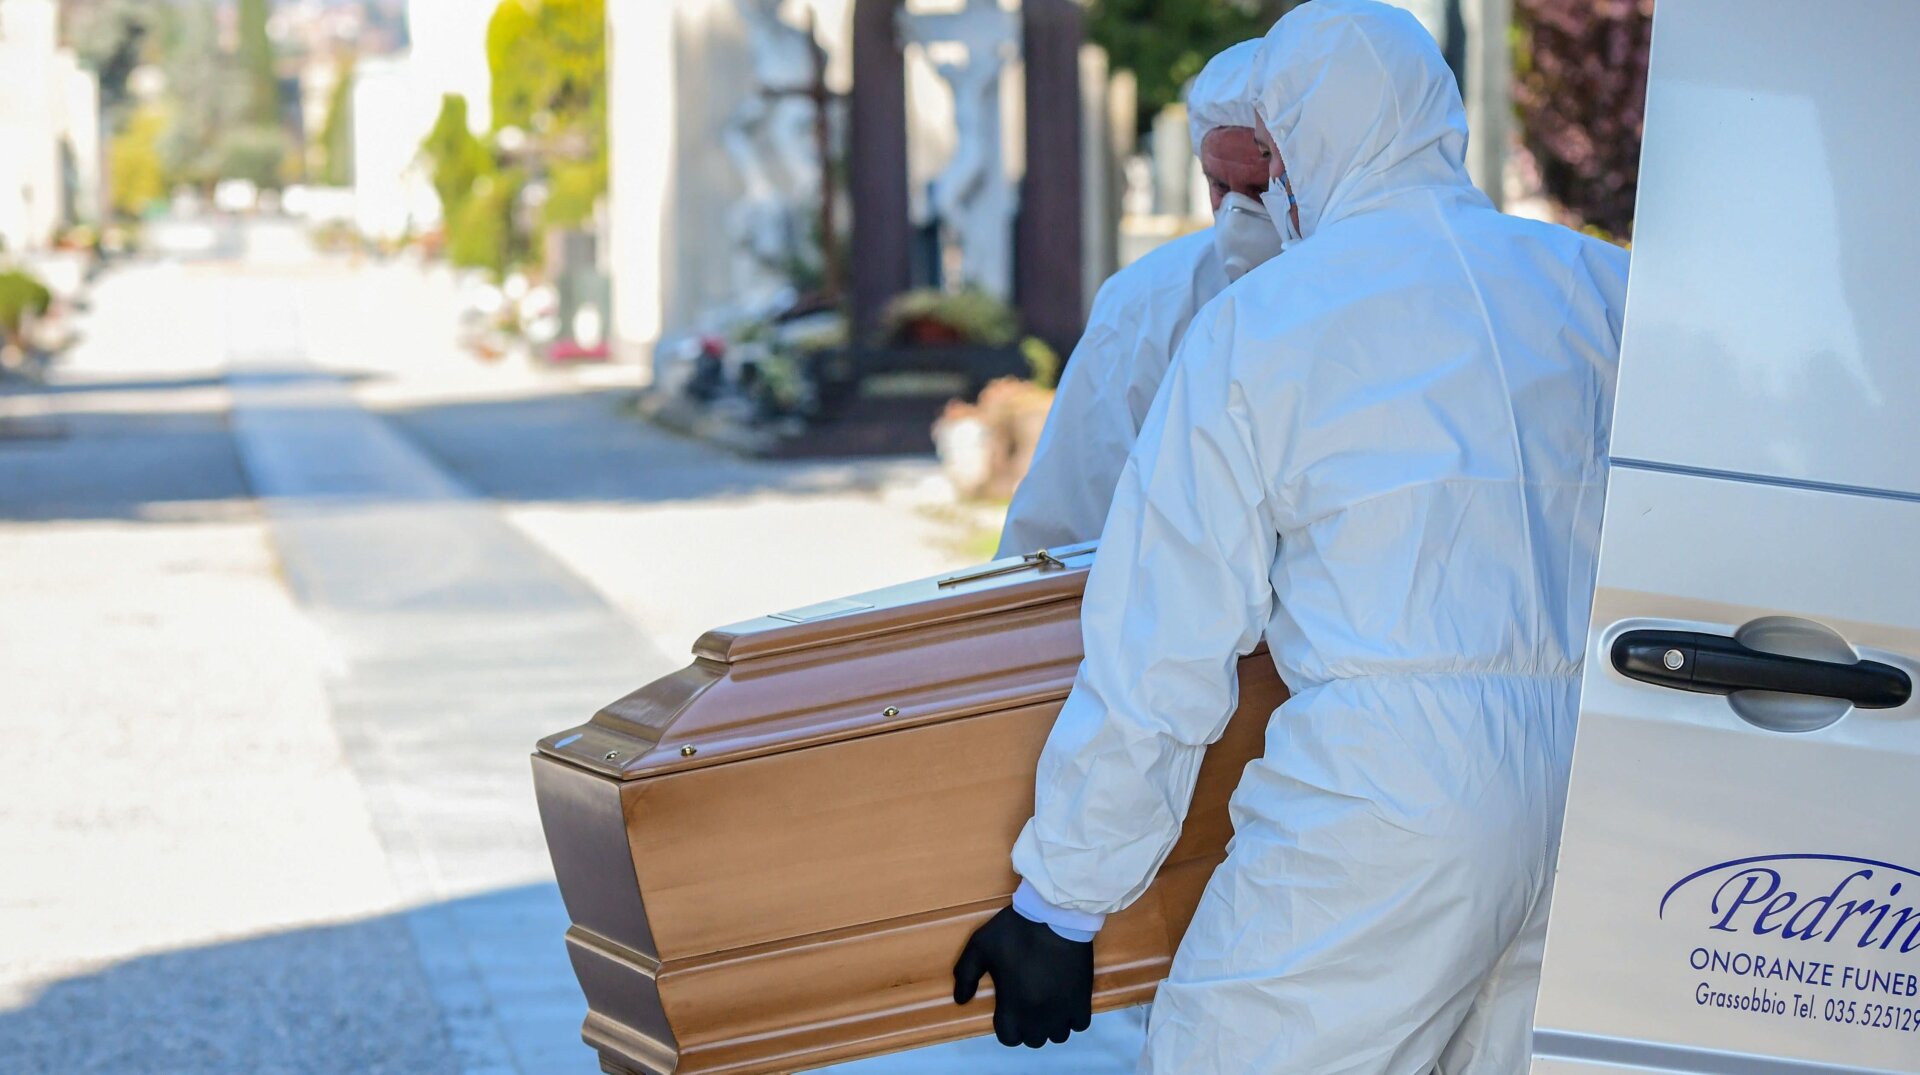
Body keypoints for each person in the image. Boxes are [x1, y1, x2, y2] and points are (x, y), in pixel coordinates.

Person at [952, 2, 1631, 1071]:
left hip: (1390, 792)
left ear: (1300, 137)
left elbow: (1162, 640)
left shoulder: (1267, 320)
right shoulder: (1599, 288)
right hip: (1601, 786)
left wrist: (1064, 899)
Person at [995, 40, 1278, 557]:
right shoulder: (1149, 301)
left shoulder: (1391, 289)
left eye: (1261, 189)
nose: (1238, 215)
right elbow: (1068, 512)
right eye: (1220, 186)